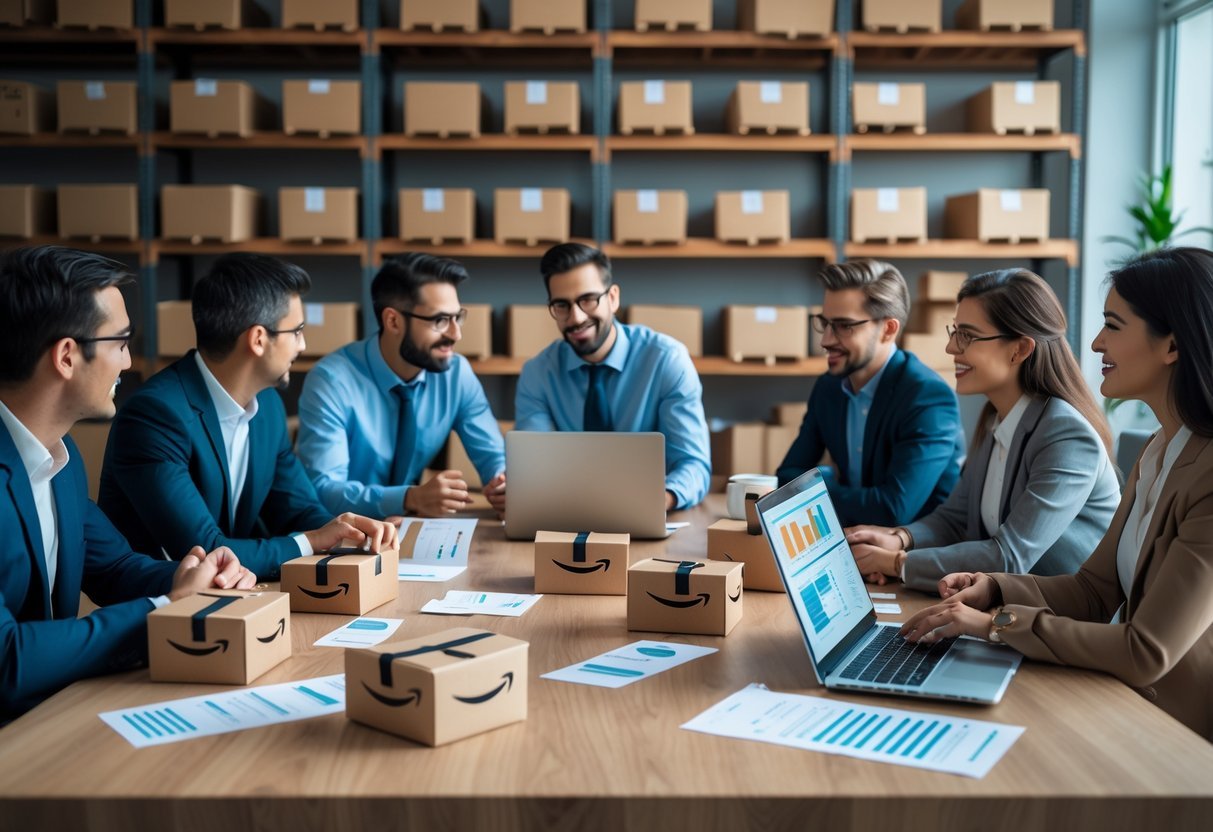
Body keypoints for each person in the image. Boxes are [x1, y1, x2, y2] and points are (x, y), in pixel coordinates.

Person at [901, 247, 1213, 741]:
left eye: (1113, 325)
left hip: (1177, 733)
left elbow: (1146, 651)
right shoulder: (1159, 450)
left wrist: (994, 624)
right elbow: (1094, 590)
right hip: (1120, 701)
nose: (1092, 343)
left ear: (1171, 345)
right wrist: (995, 589)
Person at [0, 246, 256, 722]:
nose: (129, 361)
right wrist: (165, 608)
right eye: (120, 343)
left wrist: (193, 579)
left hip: (51, 714)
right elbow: (6, 657)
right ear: (67, 356)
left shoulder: (61, 455)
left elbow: (114, 567)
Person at [98, 253, 396, 581]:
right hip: (162, 611)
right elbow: (209, 548)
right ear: (257, 339)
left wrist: (350, 531)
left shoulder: (267, 405)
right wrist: (312, 542)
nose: (303, 345)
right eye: (296, 331)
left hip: (239, 593)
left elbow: (297, 509)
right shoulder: (155, 416)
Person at [845, 269, 1120, 590]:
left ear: (1019, 349)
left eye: (967, 336)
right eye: (955, 331)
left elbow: (1009, 556)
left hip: (1064, 625)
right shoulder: (998, 419)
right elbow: (955, 519)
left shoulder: (1067, 437)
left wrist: (897, 564)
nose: (951, 348)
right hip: (1009, 609)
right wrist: (899, 538)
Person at [296, 253, 505, 518]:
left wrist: (503, 483)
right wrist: (410, 498)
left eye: (457, 317)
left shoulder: (456, 373)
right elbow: (324, 490)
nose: (456, 334)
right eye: (440, 321)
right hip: (342, 535)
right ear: (393, 321)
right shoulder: (330, 381)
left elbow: (493, 455)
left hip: (409, 531)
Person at [514, 243, 710, 510]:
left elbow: (693, 464)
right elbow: (535, 466)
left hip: (648, 512)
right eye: (562, 305)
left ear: (613, 297)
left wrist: (660, 499)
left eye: (588, 299)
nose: (576, 317)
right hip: (567, 512)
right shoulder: (537, 373)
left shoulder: (666, 360)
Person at [777, 260, 963, 527]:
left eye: (844, 326)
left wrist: (822, 482)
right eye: (825, 323)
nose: (826, 340)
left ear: (888, 329)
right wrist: (830, 487)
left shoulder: (927, 397)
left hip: (915, 557)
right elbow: (787, 476)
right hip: (853, 542)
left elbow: (892, 509)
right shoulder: (828, 387)